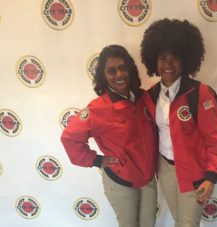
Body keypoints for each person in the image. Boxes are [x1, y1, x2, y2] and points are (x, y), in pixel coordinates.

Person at [140, 18, 217, 227]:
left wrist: (211, 177)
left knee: (188, 224)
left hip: (195, 172)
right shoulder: (151, 95)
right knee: (180, 221)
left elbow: (216, 140)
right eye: (162, 58)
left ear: (187, 60)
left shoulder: (200, 94)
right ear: (153, 60)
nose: (168, 65)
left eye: (175, 58)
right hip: (165, 170)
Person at [61, 45, 158, 227]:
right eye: (111, 71)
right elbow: (69, 138)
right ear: (103, 76)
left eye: (123, 68)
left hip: (147, 178)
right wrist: (96, 160)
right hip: (121, 180)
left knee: (148, 224)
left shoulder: (143, 98)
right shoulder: (98, 109)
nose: (119, 74)